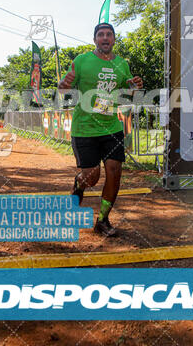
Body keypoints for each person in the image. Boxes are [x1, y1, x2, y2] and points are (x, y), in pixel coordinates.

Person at [58, 22, 143, 237]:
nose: (105, 38)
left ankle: (103, 220)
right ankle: (78, 186)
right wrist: (63, 85)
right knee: (92, 176)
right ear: (95, 39)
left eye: (109, 34)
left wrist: (134, 86)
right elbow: (64, 90)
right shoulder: (82, 61)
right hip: (85, 127)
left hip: (111, 127)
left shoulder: (122, 64)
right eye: (101, 35)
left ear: (114, 39)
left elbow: (127, 91)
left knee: (115, 171)